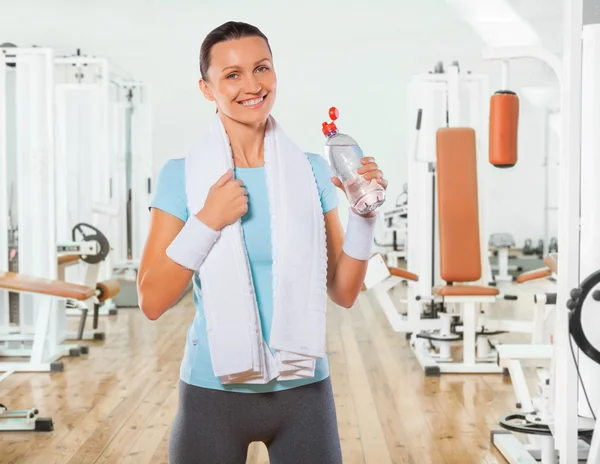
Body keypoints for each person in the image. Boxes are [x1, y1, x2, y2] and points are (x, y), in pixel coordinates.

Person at [137, 21, 388, 464]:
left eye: (262, 69)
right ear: (206, 87)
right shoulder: (183, 176)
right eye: (232, 75)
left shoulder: (312, 170)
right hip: (211, 394)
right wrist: (207, 221)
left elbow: (345, 293)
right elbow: (152, 300)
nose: (251, 85)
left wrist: (363, 216)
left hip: (303, 391)